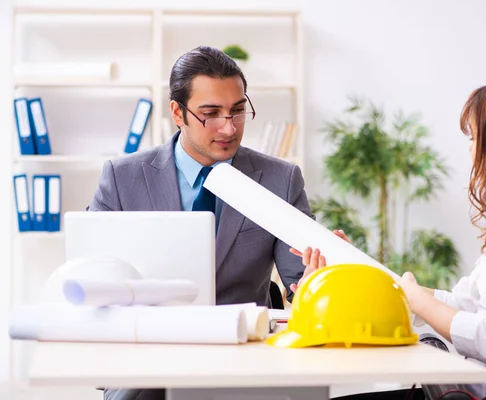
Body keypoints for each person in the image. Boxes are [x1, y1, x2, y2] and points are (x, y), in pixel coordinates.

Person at [297, 76, 486, 400]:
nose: (469, 149)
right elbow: (465, 303)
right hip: (471, 390)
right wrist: (360, 268)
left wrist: (415, 298)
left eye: (473, 137)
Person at [88, 45, 316, 400]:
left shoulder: (279, 180)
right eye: (211, 114)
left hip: (245, 357)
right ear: (178, 113)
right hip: (151, 355)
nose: (229, 127)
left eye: (238, 111)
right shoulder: (122, 178)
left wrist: (320, 278)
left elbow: (301, 282)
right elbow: (92, 276)